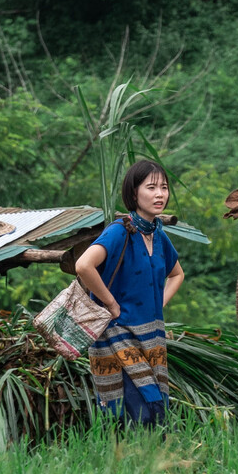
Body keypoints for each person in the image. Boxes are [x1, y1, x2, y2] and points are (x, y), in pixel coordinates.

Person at [73, 159, 183, 425]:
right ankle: (134, 458)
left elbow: (177, 274)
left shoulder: (159, 235)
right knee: (141, 410)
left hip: (151, 338)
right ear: (134, 193)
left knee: (156, 409)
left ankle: (147, 460)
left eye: (164, 188)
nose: (160, 194)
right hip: (117, 335)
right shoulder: (118, 232)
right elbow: (83, 265)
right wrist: (111, 304)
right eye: (151, 187)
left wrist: (158, 305)